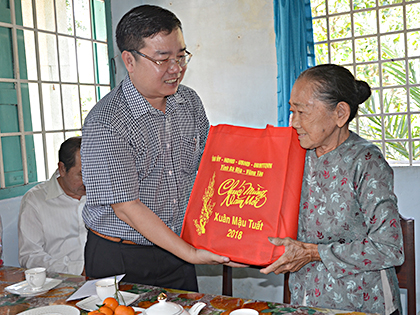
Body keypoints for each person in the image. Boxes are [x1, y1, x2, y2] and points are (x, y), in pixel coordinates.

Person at [81, 5, 236, 291]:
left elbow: (208, 171)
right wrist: (189, 252)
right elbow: (127, 207)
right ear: (129, 60)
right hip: (122, 257)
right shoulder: (107, 122)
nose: (176, 69)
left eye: (181, 56)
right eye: (163, 59)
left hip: (177, 249)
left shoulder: (189, 103)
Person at [260, 64, 404, 315]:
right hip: (306, 298)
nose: (293, 123)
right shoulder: (296, 155)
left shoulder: (366, 161)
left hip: (362, 302)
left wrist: (313, 253)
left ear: (340, 113)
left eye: (302, 112)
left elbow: (389, 248)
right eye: (291, 111)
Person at [18, 137, 86, 275]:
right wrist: (78, 270)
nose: (89, 181)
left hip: (107, 279)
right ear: (62, 169)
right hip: (59, 284)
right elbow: (30, 256)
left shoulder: (104, 194)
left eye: (93, 173)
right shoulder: (35, 201)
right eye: (81, 174)